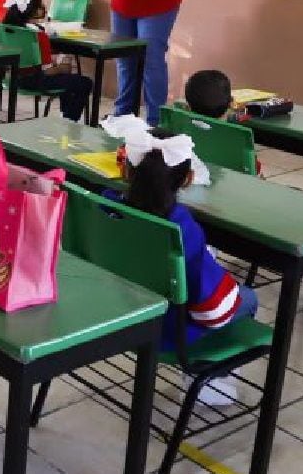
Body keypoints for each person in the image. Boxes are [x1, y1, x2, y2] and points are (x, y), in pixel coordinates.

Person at [106, 115, 255, 406]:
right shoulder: (181, 228)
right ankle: (208, 379)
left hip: (114, 314)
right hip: (166, 332)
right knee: (247, 297)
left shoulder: (105, 207)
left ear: (125, 170)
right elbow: (212, 311)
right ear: (187, 180)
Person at [0, 0, 95, 122]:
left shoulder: (8, 29)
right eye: (41, 6)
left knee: (69, 81)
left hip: (13, 77)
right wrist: (63, 66)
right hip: (35, 80)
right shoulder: (37, 35)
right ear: (34, 11)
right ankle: (69, 121)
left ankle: (65, 117)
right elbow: (47, 71)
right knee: (84, 83)